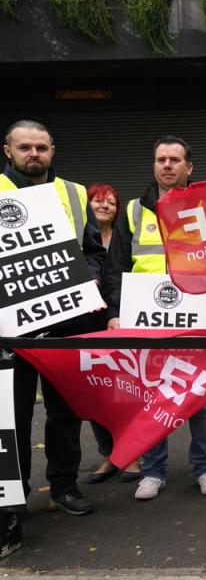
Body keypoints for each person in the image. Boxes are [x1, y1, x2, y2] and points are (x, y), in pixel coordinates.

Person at [1, 120, 106, 556]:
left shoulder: (76, 193)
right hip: (10, 325)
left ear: (52, 149)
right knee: (14, 414)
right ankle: (14, 496)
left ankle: (63, 486)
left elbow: (93, 252)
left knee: (65, 410)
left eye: (41, 147)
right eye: (24, 147)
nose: (34, 154)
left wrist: (91, 283)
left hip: (68, 322)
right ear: (8, 151)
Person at [105, 136, 206, 500]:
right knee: (151, 398)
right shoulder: (134, 212)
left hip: (195, 317)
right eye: (160, 159)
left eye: (174, 159)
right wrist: (113, 313)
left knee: (198, 395)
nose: (167, 165)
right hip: (145, 320)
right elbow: (117, 267)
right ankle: (153, 471)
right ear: (153, 165)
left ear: (190, 167)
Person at [84, 184, 142, 485]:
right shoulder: (78, 237)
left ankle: (131, 455)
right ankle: (108, 454)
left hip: (121, 320)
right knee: (96, 391)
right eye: (97, 201)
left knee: (124, 391)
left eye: (110, 202)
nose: (104, 206)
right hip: (87, 323)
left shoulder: (123, 236)